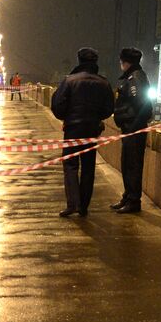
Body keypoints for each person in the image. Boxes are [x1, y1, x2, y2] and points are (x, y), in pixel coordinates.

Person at [50, 47, 114, 217]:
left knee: (70, 165)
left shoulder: (69, 81)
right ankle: (84, 206)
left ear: (79, 61)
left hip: (72, 129)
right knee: (88, 167)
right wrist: (95, 117)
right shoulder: (104, 83)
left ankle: (72, 203)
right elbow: (109, 109)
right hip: (92, 129)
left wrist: (67, 117)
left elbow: (57, 106)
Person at [112, 47, 153, 214]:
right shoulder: (132, 76)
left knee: (133, 166)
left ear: (126, 62)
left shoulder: (135, 78)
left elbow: (142, 105)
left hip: (134, 130)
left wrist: (134, 127)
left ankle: (134, 201)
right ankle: (127, 197)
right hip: (129, 128)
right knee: (127, 164)